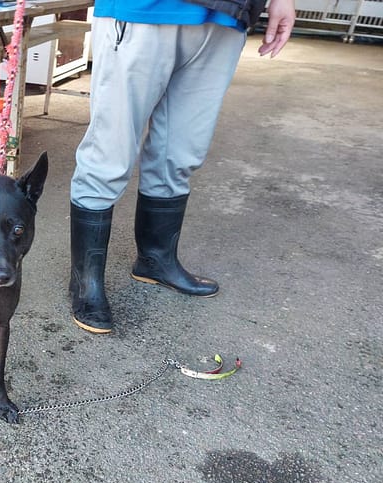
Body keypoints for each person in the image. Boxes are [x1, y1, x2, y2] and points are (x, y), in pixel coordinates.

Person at [69, 0, 296, 333]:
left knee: (179, 154)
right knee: (109, 154)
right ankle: (84, 284)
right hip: (145, 10)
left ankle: (155, 261)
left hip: (226, 19)